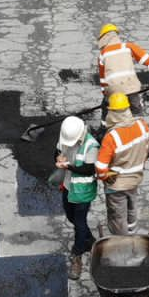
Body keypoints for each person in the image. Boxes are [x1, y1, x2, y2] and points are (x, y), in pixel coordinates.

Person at [95, 93, 149, 236]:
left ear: (111, 112)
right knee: (132, 209)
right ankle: (132, 234)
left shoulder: (111, 137)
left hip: (116, 185)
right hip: (135, 179)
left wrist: (105, 176)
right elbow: (147, 151)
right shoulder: (141, 126)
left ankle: (122, 242)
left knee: (118, 217)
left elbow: (101, 168)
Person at [54, 116, 99, 279]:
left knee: (79, 223)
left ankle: (77, 254)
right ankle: (89, 239)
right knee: (70, 216)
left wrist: (69, 166)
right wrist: (58, 159)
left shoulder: (91, 145)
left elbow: (89, 169)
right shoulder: (65, 136)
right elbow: (57, 151)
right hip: (68, 186)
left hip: (83, 191)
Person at [96, 23, 149, 117]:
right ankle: (138, 127)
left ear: (103, 39)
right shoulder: (128, 47)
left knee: (108, 111)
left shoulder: (102, 54)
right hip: (131, 88)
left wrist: (105, 94)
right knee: (136, 111)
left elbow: (103, 79)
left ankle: (105, 128)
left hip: (114, 90)